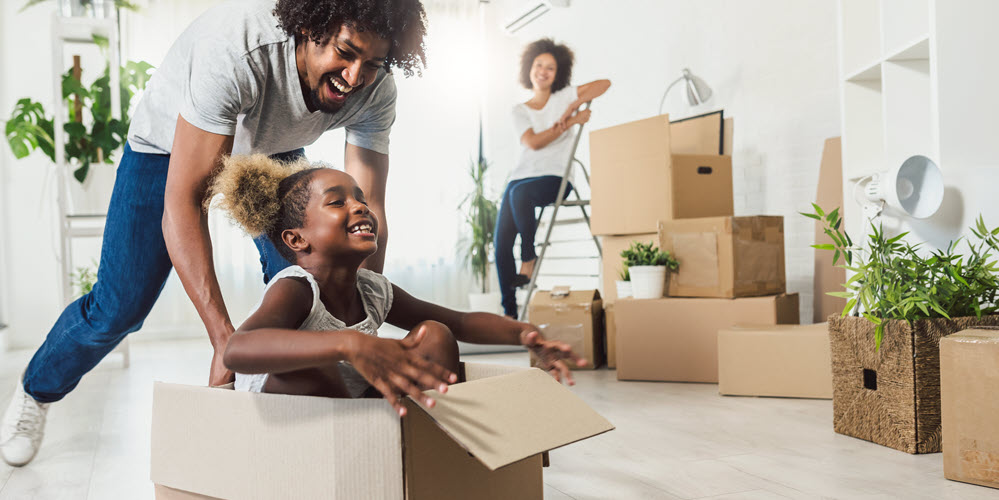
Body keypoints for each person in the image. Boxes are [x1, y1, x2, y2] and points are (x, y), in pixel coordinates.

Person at [1, 0, 428, 467]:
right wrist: (224, 341)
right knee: (117, 308)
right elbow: (183, 204)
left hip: (275, 147)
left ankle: (301, 432)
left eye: (372, 63)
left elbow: (371, 209)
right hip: (165, 150)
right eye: (345, 53)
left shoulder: (377, 87)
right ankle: (35, 389)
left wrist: (360, 315)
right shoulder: (238, 49)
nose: (354, 75)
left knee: (313, 277)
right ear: (310, 27)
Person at [213, 155, 585, 415]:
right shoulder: (296, 288)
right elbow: (237, 350)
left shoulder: (372, 289)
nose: (359, 207)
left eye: (360, 198)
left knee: (435, 335)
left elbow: (460, 323)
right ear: (297, 240)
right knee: (316, 365)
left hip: (355, 401)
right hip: (286, 408)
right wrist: (349, 342)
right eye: (337, 202)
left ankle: (413, 442)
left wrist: (523, 333)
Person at [494, 38, 610, 318]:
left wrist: (573, 105)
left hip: (555, 179)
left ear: (558, 73)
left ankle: (529, 257)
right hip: (520, 179)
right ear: (529, 68)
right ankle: (510, 314)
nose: (543, 71)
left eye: (550, 67)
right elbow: (533, 142)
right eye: (538, 65)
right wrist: (570, 122)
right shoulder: (519, 110)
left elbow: (603, 84)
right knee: (500, 244)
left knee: (518, 193)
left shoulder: (563, 96)